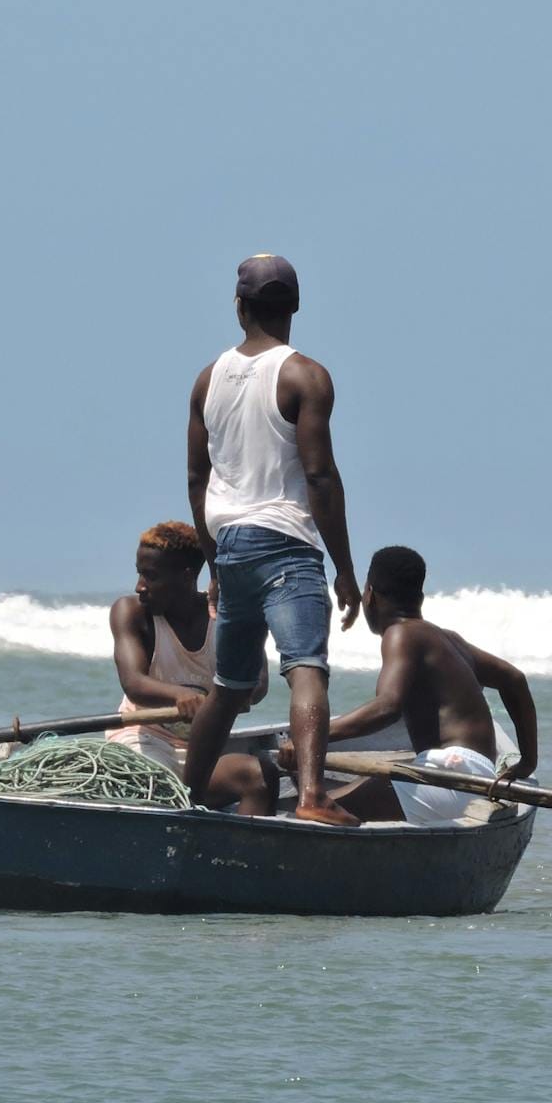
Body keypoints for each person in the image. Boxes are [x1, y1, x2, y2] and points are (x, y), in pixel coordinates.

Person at [181, 253, 361, 825]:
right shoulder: (305, 375)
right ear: (296, 307)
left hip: (230, 544)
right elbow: (320, 477)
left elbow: (196, 476)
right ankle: (311, 798)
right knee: (305, 667)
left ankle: (186, 799)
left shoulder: (209, 379)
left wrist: (213, 561)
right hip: (286, 543)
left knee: (229, 687)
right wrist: (346, 570)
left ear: (239, 307)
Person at [314, 545, 539, 824]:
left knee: (308, 809)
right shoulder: (449, 639)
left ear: (369, 594)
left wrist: (314, 735)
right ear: (420, 597)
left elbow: (387, 706)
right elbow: (514, 680)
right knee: (336, 799)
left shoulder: (400, 634)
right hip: (478, 776)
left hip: (446, 775)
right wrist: (527, 762)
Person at [106, 521, 276, 815]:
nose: (139, 587)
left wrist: (215, 704)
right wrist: (179, 695)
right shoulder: (131, 612)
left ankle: (239, 857)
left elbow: (258, 686)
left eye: (151, 576)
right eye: (139, 573)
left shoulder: (227, 617)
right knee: (154, 788)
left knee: (261, 777)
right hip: (143, 739)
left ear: (186, 577)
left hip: (204, 749)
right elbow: (134, 683)